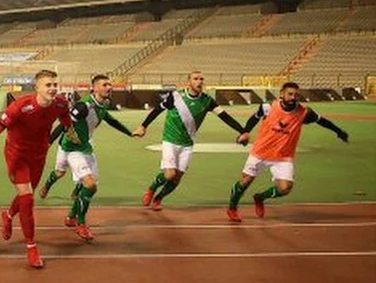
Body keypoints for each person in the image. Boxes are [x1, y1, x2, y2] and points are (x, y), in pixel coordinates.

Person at [0, 70, 77, 269]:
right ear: (37, 87)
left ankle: (8, 215)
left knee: (27, 195)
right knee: (27, 198)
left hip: (39, 156)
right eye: (48, 85)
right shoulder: (19, 107)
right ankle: (31, 246)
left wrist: (70, 130)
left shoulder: (61, 103)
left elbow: (65, 117)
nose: (52, 89)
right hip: (16, 156)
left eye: (54, 85)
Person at [225, 81, 349, 222]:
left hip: (283, 157)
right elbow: (254, 118)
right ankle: (232, 208)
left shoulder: (304, 112)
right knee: (244, 182)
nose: (293, 97)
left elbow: (322, 121)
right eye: (290, 94)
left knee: (285, 188)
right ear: (281, 94)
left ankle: (260, 197)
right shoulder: (268, 107)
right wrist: (246, 132)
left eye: (296, 95)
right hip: (260, 152)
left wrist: (338, 131)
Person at [133, 70, 247, 210]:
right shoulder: (176, 97)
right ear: (189, 82)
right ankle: (151, 189)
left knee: (177, 177)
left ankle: (158, 198)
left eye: (201, 79)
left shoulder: (207, 101)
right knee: (170, 174)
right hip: (170, 140)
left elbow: (225, 117)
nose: (199, 81)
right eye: (196, 78)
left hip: (187, 144)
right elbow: (157, 110)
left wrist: (242, 131)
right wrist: (143, 126)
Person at [38, 74, 133, 241]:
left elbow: (110, 120)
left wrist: (130, 133)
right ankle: (78, 221)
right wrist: (48, 142)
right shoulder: (84, 106)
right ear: (95, 88)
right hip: (70, 148)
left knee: (90, 186)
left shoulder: (104, 103)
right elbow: (64, 124)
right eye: (104, 85)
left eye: (109, 85)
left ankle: (71, 217)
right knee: (64, 175)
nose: (109, 87)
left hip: (85, 148)